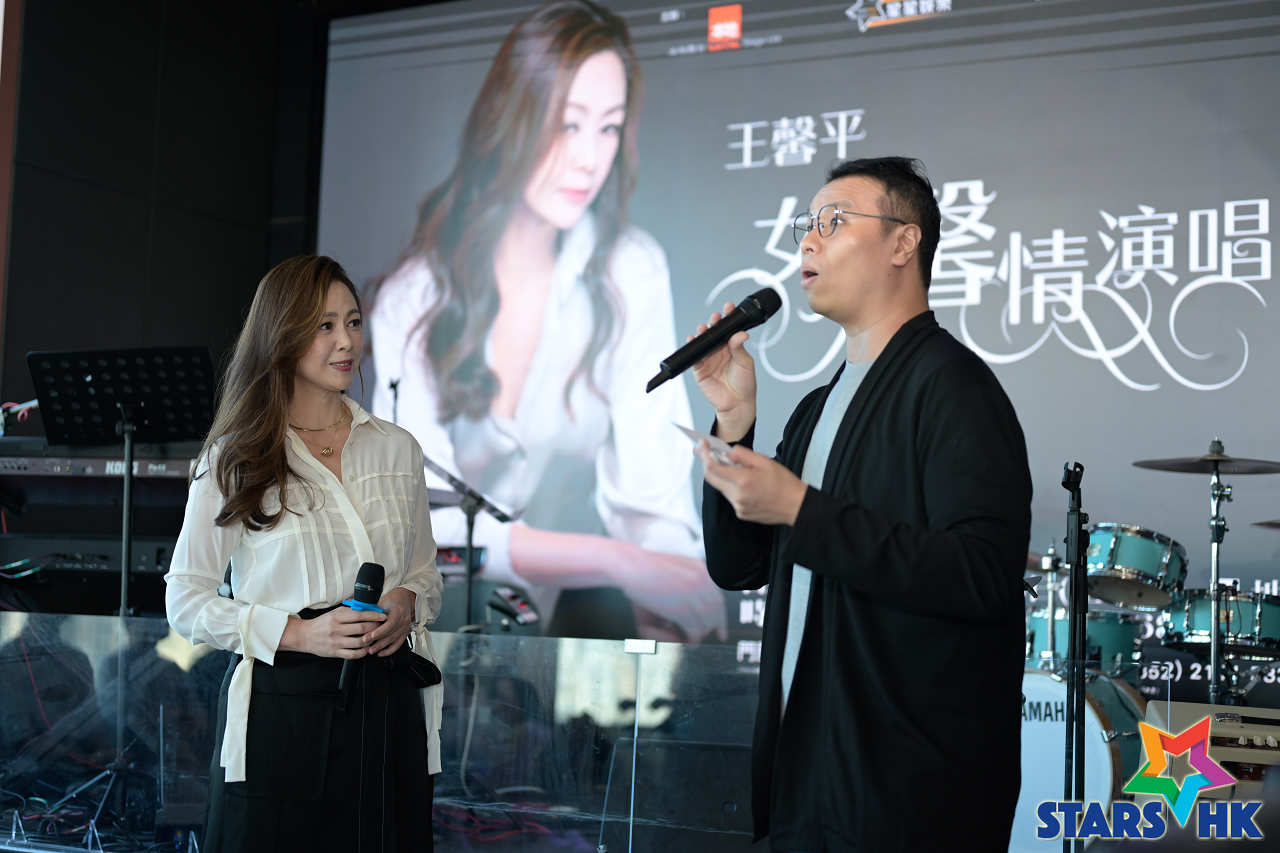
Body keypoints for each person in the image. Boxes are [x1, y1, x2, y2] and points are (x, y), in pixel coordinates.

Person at [691, 157, 1032, 850]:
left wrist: (801, 510)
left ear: (904, 243)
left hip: (905, 794)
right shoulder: (818, 407)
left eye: (834, 221)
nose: (808, 241)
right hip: (805, 774)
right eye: (806, 225)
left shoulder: (955, 387)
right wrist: (734, 422)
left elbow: (981, 575)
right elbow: (739, 565)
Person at [369, 0, 724, 642]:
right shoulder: (415, 297)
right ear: (511, 120)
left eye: (609, 128)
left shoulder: (630, 269)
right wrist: (620, 562)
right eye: (567, 124)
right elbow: (418, 523)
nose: (589, 158)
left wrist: (675, 597)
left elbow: (653, 494)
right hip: (425, 622)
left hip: (569, 631)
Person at [165, 255, 444, 852]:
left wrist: (408, 600)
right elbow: (185, 601)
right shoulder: (234, 458)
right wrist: (298, 633)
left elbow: (426, 571)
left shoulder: (398, 448)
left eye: (353, 322)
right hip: (283, 706)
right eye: (324, 326)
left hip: (389, 702)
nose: (346, 342)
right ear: (282, 334)